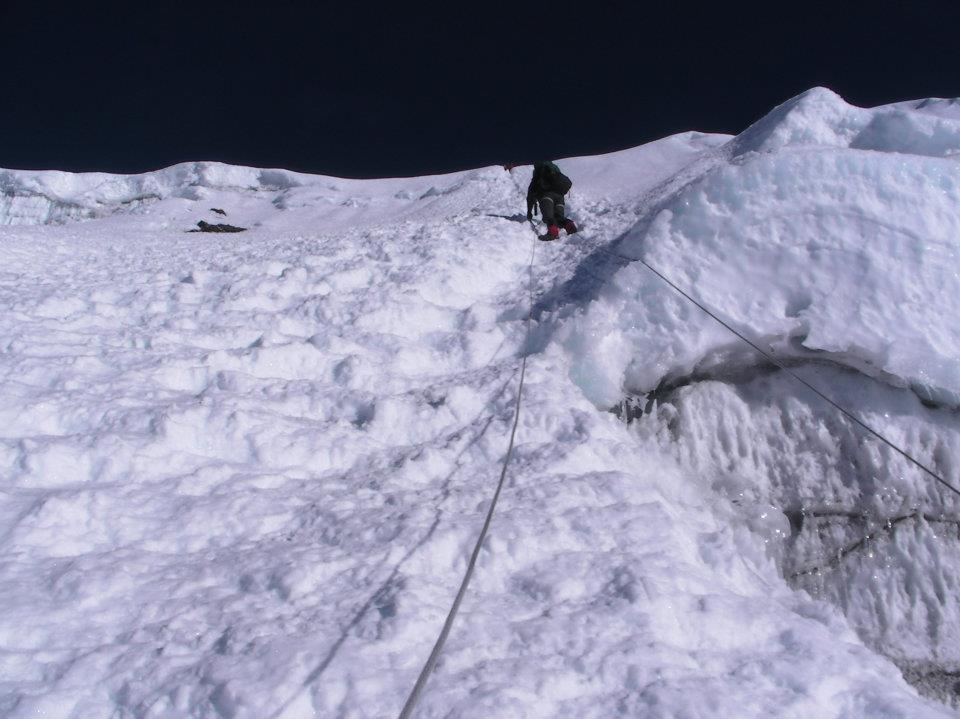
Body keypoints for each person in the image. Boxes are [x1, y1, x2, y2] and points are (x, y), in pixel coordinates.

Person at [526, 161, 578, 241]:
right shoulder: (554, 169)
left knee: (548, 217)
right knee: (559, 217)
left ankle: (552, 234)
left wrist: (529, 211)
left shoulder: (538, 172)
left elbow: (531, 193)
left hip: (546, 196)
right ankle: (570, 227)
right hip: (560, 196)